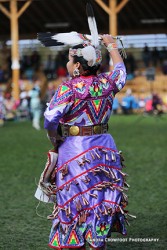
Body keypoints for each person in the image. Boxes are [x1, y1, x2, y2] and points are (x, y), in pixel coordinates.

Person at [36, 34, 134, 250]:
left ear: (78, 65)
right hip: (105, 149)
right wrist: (111, 45)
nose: (67, 64)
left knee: (75, 199)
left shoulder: (68, 88)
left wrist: (55, 138)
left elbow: (50, 119)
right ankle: (97, 241)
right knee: (100, 198)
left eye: (70, 61)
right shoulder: (108, 82)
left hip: (75, 150)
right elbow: (121, 71)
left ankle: (74, 242)